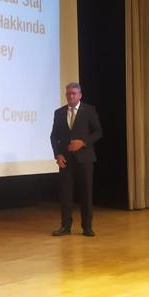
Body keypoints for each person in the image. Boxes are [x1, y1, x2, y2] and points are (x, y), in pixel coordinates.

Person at [50, 82, 103, 237]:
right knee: (65, 194)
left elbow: (98, 132)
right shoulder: (59, 113)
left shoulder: (89, 110)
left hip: (85, 159)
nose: (71, 96)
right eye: (68, 93)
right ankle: (65, 226)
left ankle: (87, 227)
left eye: (74, 93)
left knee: (86, 194)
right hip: (66, 160)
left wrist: (83, 142)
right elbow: (54, 136)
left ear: (80, 95)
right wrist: (57, 155)